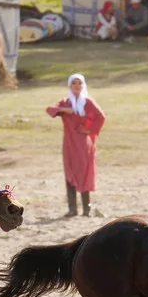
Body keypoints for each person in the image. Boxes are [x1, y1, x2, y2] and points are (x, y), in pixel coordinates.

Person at [46, 73, 106, 217]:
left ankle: (87, 208)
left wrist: (89, 129)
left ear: (83, 85)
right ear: (69, 85)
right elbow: (50, 109)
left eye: (79, 83)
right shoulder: (65, 102)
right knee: (69, 172)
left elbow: (101, 116)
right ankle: (72, 209)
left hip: (83, 143)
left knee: (84, 172)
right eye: (74, 83)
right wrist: (66, 110)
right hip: (68, 143)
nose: (77, 86)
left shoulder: (87, 102)